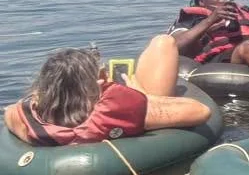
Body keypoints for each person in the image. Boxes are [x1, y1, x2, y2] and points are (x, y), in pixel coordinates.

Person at [4, 35, 212, 145]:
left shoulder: (22, 117)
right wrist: (141, 96)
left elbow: (12, 110)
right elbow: (200, 111)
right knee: (163, 42)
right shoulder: (115, 113)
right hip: (122, 116)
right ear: (95, 84)